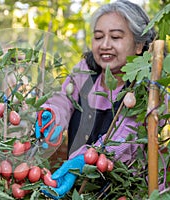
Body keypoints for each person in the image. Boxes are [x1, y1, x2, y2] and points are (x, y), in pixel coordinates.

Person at [34, 0, 156, 199]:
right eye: (99, 37)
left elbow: (126, 134)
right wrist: (51, 114)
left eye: (115, 36)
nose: (105, 45)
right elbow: (63, 99)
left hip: (126, 193)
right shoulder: (85, 72)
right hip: (79, 191)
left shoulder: (147, 89)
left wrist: (86, 158)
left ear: (139, 45)